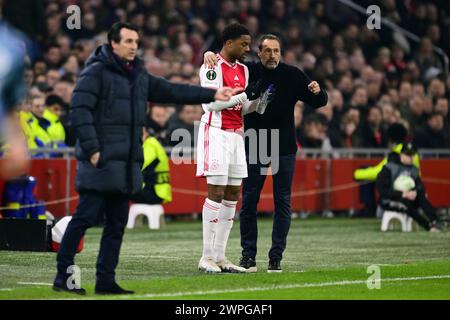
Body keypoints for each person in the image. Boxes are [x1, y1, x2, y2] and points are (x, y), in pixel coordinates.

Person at [53, 22, 237, 296]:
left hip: (126, 165)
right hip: (101, 162)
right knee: (83, 219)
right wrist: (92, 149)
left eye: (136, 41)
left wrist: (211, 93)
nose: (133, 46)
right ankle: (63, 276)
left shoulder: (137, 75)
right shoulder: (95, 73)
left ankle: (106, 281)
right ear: (113, 44)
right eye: (127, 41)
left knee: (116, 225)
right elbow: (79, 113)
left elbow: (172, 91)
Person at [204, 34, 328, 272]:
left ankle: (275, 257)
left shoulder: (292, 74)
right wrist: (208, 54)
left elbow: (319, 102)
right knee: (249, 200)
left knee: (282, 202)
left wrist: (317, 91)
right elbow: (224, 60)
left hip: (283, 146)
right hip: (256, 143)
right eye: (267, 51)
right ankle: (248, 256)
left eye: (277, 51)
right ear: (258, 53)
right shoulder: (249, 70)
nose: (272, 55)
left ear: (281, 53)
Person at [196, 23, 273, 274]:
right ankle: (206, 257)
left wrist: (259, 101)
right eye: (243, 44)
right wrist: (243, 96)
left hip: (236, 135)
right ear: (229, 43)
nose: (247, 49)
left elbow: (243, 107)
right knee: (215, 192)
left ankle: (220, 257)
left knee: (232, 195)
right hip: (215, 133)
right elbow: (211, 104)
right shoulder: (210, 66)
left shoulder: (243, 70)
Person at [376, 143, 443, 232]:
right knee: (405, 205)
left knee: (421, 197)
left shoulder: (414, 169)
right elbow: (382, 189)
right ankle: (428, 226)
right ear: (401, 155)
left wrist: (415, 192)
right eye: (408, 155)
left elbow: (420, 187)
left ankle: (435, 221)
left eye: (412, 155)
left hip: (409, 198)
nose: (411, 157)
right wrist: (402, 194)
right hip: (391, 200)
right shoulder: (389, 168)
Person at [130, 128, 172, 205]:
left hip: (154, 191)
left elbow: (140, 164)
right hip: (159, 191)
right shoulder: (152, 142)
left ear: (146, 133)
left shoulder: (150, 144)